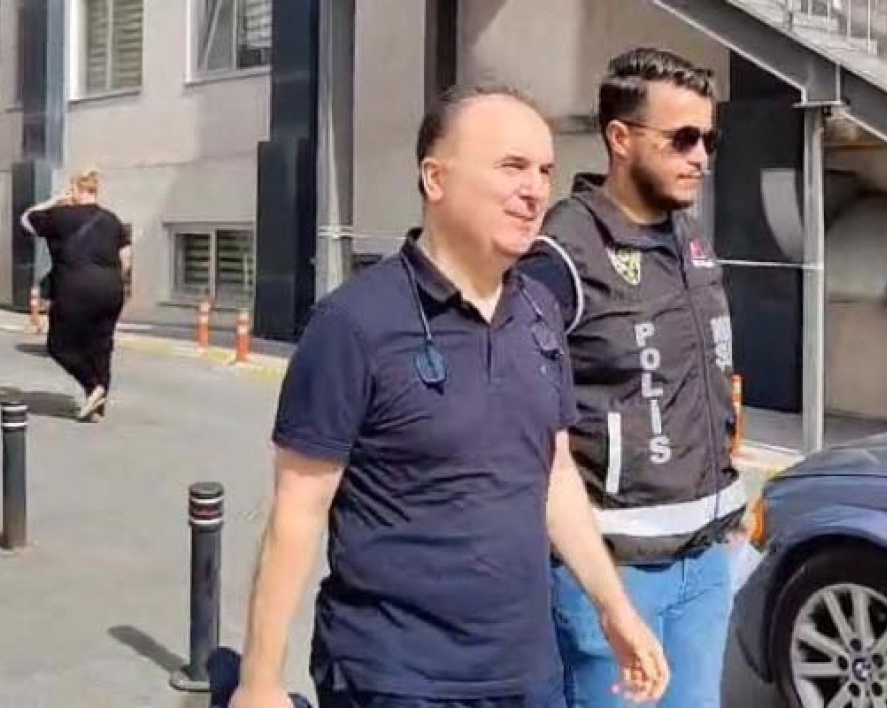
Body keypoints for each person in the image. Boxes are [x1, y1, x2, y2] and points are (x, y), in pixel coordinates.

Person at [229, 84, 670, 708]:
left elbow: (554, 473)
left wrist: (614, 608)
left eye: (545, 170)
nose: (535, 190)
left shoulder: (541, 313)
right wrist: (259, 682)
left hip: (526, 676)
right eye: (511, 166)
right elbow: (297, 514)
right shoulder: (353, 324)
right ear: (435, 179)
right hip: (396, 678)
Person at [517, 48, 743, 707]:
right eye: (682, 138)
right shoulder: (561, 255)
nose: (700, 157)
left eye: (709, 140)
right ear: (620, 138)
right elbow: (520, 421)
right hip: (614, 573)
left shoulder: (689, 238)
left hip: (706, 561)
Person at [20, 169, 132, 421]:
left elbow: (26, 220)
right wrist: (115, 281)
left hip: (75, 289)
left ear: (75, 190)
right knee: (101, 346)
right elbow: (126, 258)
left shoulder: (60, 217)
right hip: (111, 289)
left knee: (59, 346)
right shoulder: (112, 219)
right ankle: (97, 407)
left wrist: (54, 201)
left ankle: (93, 387)